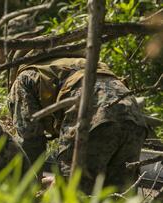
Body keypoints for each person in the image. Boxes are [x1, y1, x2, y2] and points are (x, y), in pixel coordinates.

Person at [9, 49, 148, 194]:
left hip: (92, 119)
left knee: (71, 199)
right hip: (134, 117)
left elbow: (30, 142)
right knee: (119, 201)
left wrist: (28, 189)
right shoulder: (84, 64)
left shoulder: (25, 77)